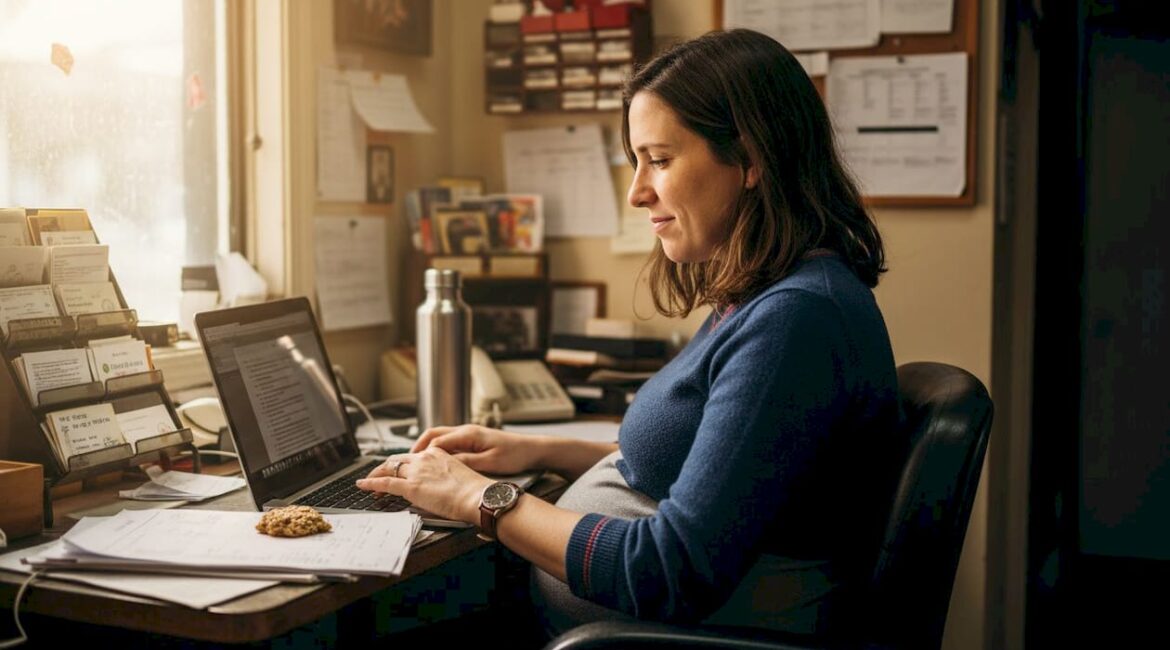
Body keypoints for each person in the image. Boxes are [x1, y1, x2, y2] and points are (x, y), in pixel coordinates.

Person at [357, 28, 901, 644]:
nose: (638, 191)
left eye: (660, 160)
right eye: (636, 161)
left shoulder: (796, 321)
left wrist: (486, 499)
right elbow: (724, 475)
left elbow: (671, 570)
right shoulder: (770, 294)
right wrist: (538, 452)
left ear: (751, 159)